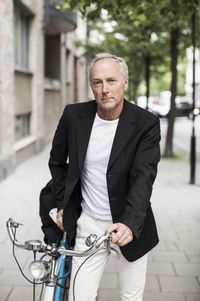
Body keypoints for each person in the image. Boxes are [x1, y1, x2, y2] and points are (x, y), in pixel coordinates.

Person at [49, 53, 160, 301]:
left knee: (131, 297)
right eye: (97, 82)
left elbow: (144, 177)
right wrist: (62, 204)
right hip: (88, 222)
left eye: (111, 81)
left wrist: (130, 223)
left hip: (127, 223)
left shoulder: (145, 123)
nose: (104, 89)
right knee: (79, 296)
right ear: (91, 86)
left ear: (125, 82)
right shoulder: (74, 116)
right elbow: (57, 162)